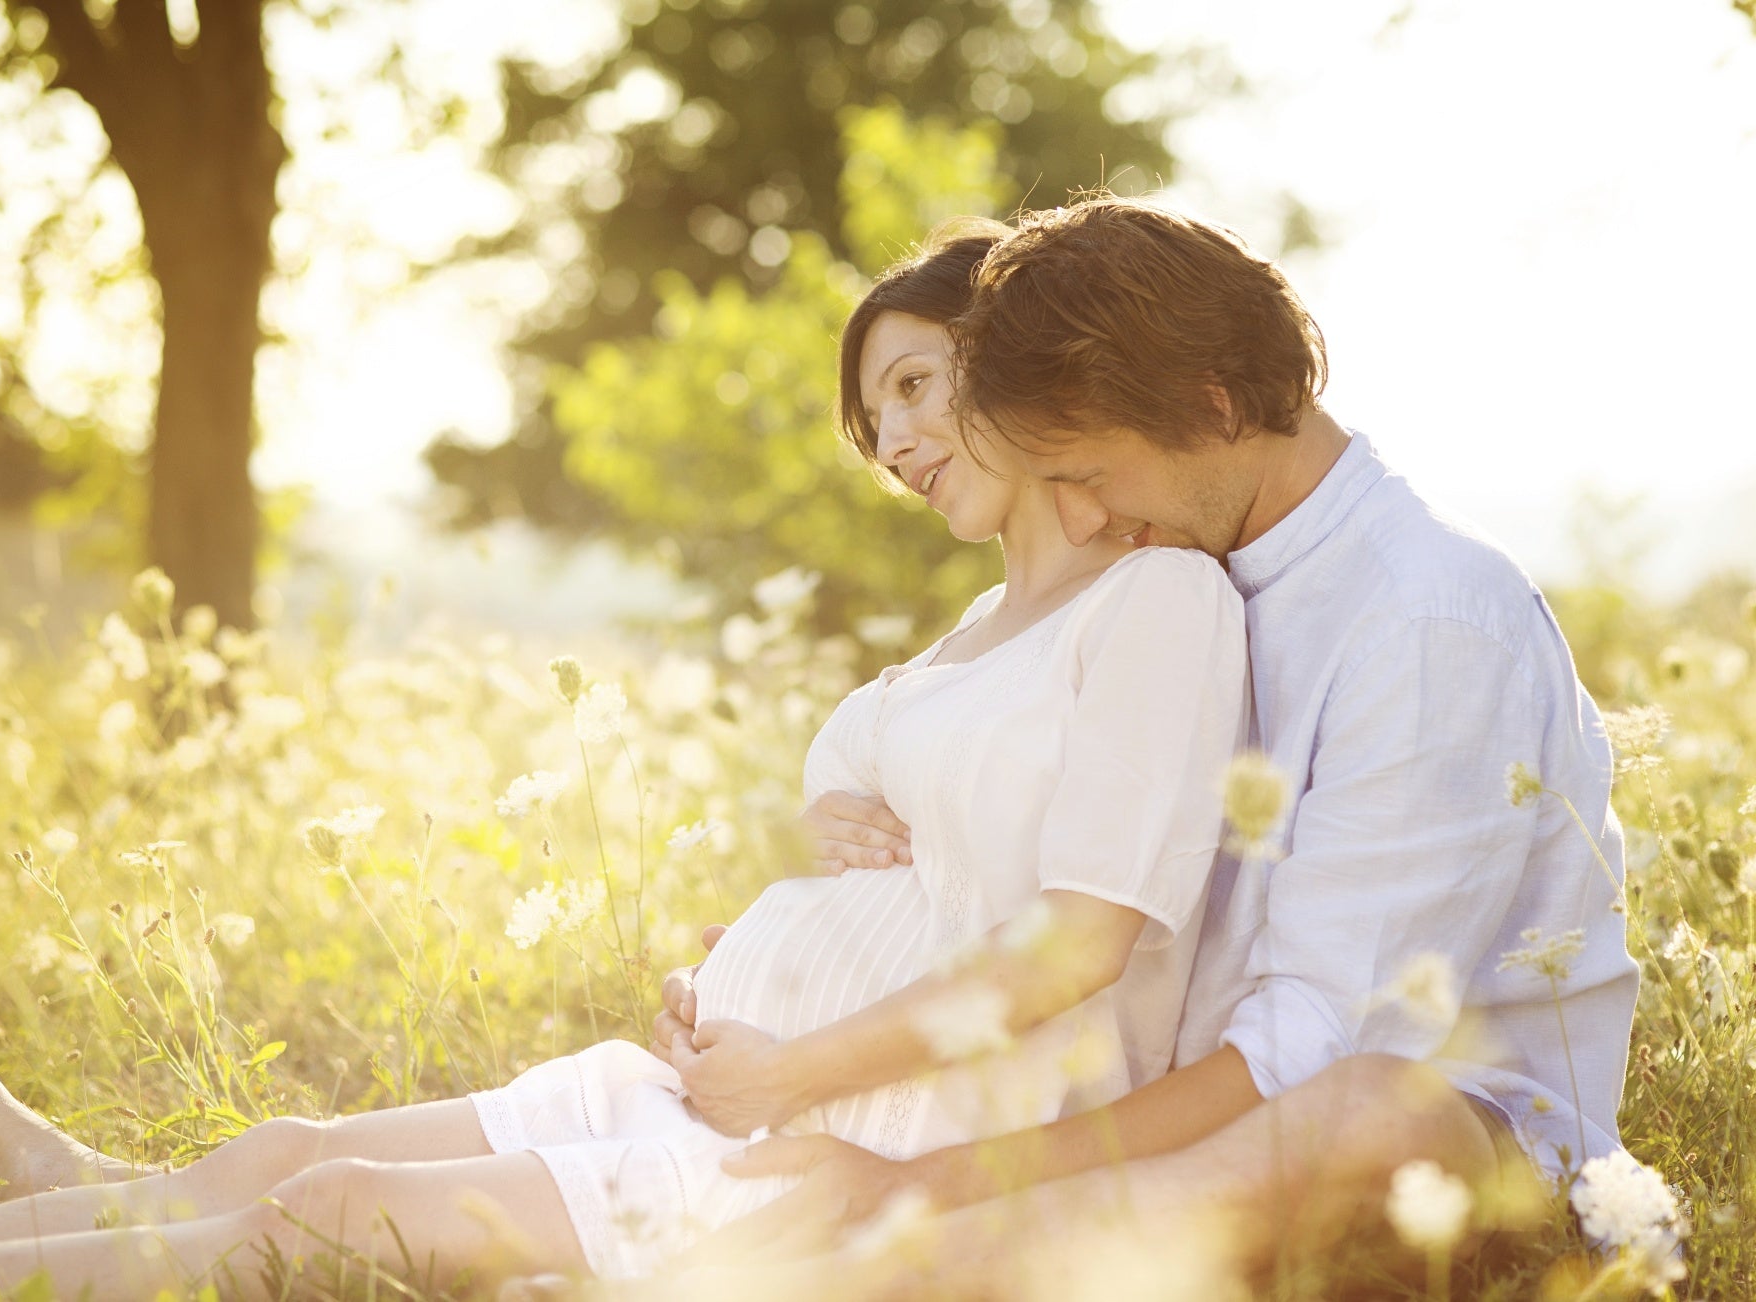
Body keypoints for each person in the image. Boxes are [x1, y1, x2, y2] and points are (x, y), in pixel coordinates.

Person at [0, 227, 1249, 1296]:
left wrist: (792, 1068)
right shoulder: (979, 623)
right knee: (294, 1150)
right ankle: (44, 1196)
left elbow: (1076, 946)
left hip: (845, 1139)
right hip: (740, 1082)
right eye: (871, 414)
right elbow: (871, 760)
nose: (889, 442)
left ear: (1010, 359)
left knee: (321, 1210)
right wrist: (818, 846)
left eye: (913, 387)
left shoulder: (1161, 602)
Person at [656, 195, 1639, 1290]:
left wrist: (926, 1183)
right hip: (1160, 1103)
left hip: (1426, 1144)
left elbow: (1313, 1048)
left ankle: (880, 1266)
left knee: (1370, 1117)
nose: (1077, 522)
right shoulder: (1190, 575)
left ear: (1210, 404)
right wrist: (818, 947)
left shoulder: (1424, 618)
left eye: (1084, 476)